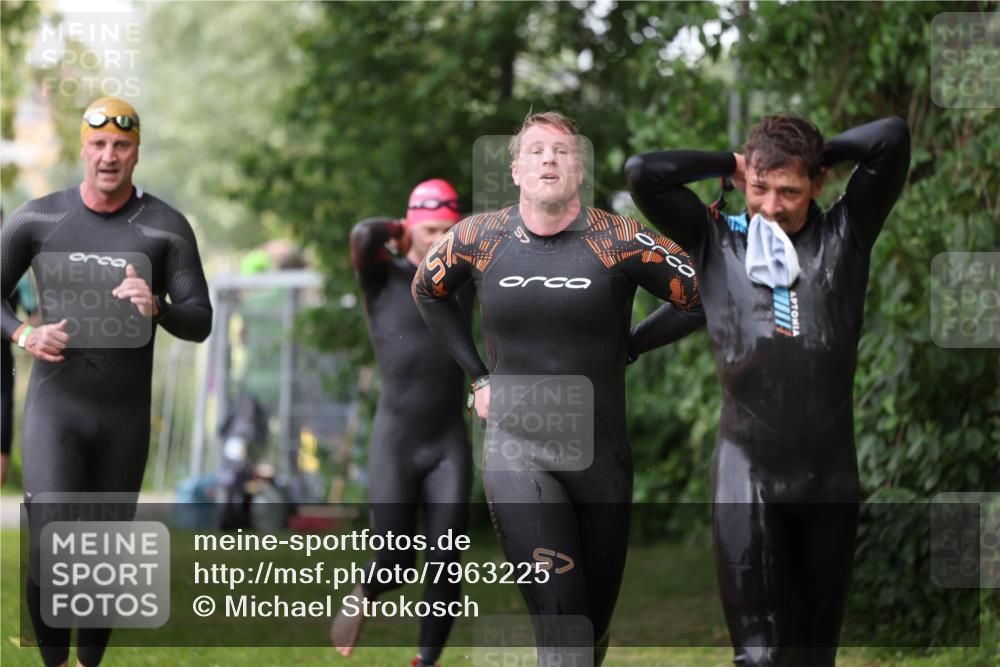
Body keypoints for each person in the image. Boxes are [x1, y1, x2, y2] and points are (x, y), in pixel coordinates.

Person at [412, 112, 702, 666]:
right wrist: (478, 376)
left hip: (602, 457)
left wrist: (633, 344)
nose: (550, 159)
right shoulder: (479, 238)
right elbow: (427, 290)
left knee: (590, 631)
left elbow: (700, 296)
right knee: (562, 624)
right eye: (538, 150)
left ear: (580, 168)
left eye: (563, 151)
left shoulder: (619, 239)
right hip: (518, 451)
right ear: (516, 168)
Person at [625, 114, 910, 666]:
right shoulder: (715, 240)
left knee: (812, 656)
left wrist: (810, 152)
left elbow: (891, 136)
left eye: (790, 190)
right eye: (760, 188)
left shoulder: (845, 233)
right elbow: (644, 173)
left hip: (828, 480)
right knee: (759, 657)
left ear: (818, 183)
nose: (772, 206)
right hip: (746, 474)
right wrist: (731, 163)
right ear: (744, 181)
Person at [0, 97, 213, 667]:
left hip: (123, 419)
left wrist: (159, 308)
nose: (109, 156)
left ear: (136, 152)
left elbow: (201, 319)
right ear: (83, 148)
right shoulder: (38, 219)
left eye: (121, 146)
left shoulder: (164, 228)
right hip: (56, 408)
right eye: (98, 145)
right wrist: (24, 335)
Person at [331, 179, 474, 667]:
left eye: (447, 230)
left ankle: (426, 660)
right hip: (397, 438)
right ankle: (364, 591)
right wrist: (399, 228)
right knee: (394, 561)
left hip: (447, 442)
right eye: (430, 229)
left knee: (446, 558)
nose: (439, 240)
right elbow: (362, 233)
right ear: (410, 229)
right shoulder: (383, 279)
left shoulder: (464, 283)